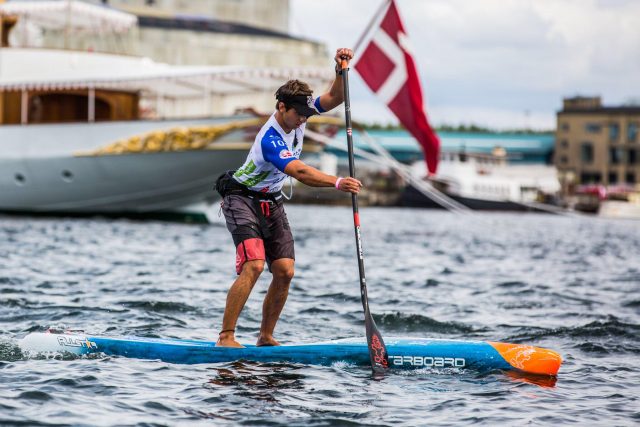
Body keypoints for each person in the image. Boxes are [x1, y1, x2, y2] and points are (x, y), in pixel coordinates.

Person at [215, 48, 360, 348]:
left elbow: (335, 98)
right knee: (254, 266)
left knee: (285, 270)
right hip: (241, 198)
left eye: (306, 114)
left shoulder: (300, 113)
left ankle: (265, 336)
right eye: (298, 115)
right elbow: (300, 171)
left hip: (271, 200)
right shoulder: (270, 138)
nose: (302, 120)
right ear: (281, 107)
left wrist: (340, 71)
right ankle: (226, 337)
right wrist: (337, 182)